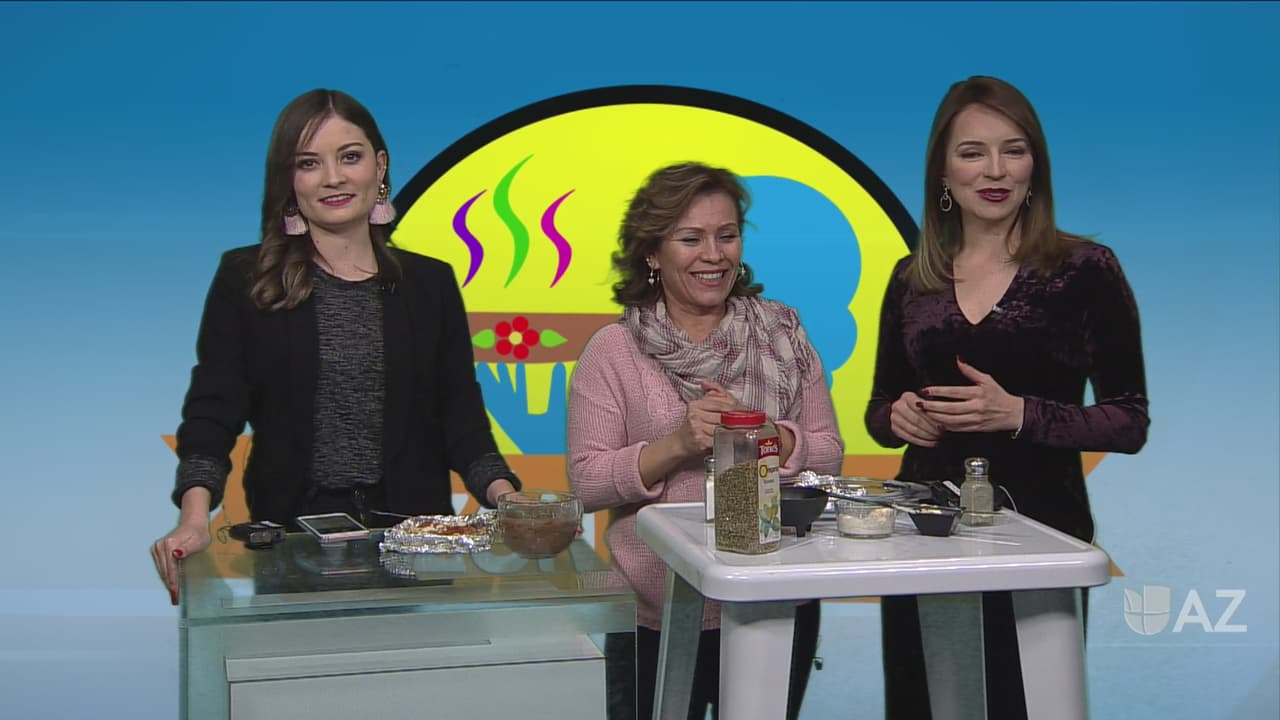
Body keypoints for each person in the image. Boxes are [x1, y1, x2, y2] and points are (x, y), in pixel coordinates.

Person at [151, 89, 519, 604]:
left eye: (350, 157)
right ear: (289, 180)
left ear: (379, 166)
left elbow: (461, 419)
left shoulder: (429, 284)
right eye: (309, 163)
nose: (333, 178)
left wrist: (510, 500)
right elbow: (212, 415)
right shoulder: (246, 278)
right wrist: (194, 518)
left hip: (416, 547)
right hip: (292, 545)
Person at [866, 76, 1150, 719]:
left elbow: (1129, 420)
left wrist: (1020, 414)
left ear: (1034, 167)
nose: (994, 170)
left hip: (1042, 535)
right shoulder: (912, 278)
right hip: (925, 537)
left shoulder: (1085, 270)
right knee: (922, 703)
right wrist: (899, 416)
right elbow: (880, 410)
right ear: (944, 172)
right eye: (972, 153)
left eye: (1013, 150)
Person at [567, 162, 845, 720]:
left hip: (774, 599)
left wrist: (768, 437)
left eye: (727, 235)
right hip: (656, 612)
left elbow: (829, 453)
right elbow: (588, 483)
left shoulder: (782, 331)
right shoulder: (614, 350)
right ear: (652, 253)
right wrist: (679, 443)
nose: (713, 255)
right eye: (691, 239)